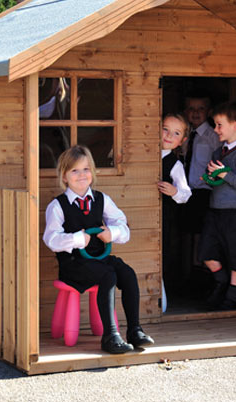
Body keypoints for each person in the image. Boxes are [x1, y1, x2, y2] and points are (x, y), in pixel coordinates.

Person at [43, 145, 154, 354]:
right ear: (64, 177)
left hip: (99, 258)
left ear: (92, 173)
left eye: (85, 169)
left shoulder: (102, 200)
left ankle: (135, 330)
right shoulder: (57, 206)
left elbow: (123, 226)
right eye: (74, 171)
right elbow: (51, 239)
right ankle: (110, 335)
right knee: (107, 275)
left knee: (127, 273)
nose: (81, 175)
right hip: (73, 264)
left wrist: (112, 233)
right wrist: (77, 238)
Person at [198, 102, 236, 310]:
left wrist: (224, 174)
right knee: (205, 252)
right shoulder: (218, 152)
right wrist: (209, 178)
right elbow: (218, 180)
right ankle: (221, 281)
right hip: (215, 210)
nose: (216, 130)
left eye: (219, 125)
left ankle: (232, 297)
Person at [181, 93, 221, 285]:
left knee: (201, 235)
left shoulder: (213, 137)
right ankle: (188, 273)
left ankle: (202, 276)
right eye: (191, 109)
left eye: (201, 109)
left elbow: (220, 161)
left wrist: (208, 179)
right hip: (186, 192)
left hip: (203, 191)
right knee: (187, 234)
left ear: (209, 112)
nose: (196, 113)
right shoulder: (185, 134)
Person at [157, 114, 191, 301]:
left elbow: (186, 194)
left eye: (175, 133)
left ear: (181, 141)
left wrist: (174, 191)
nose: (169, 136)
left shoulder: (174, 164)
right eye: (165, 129)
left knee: (162, 252)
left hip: (164, 216)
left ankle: (161, 297)